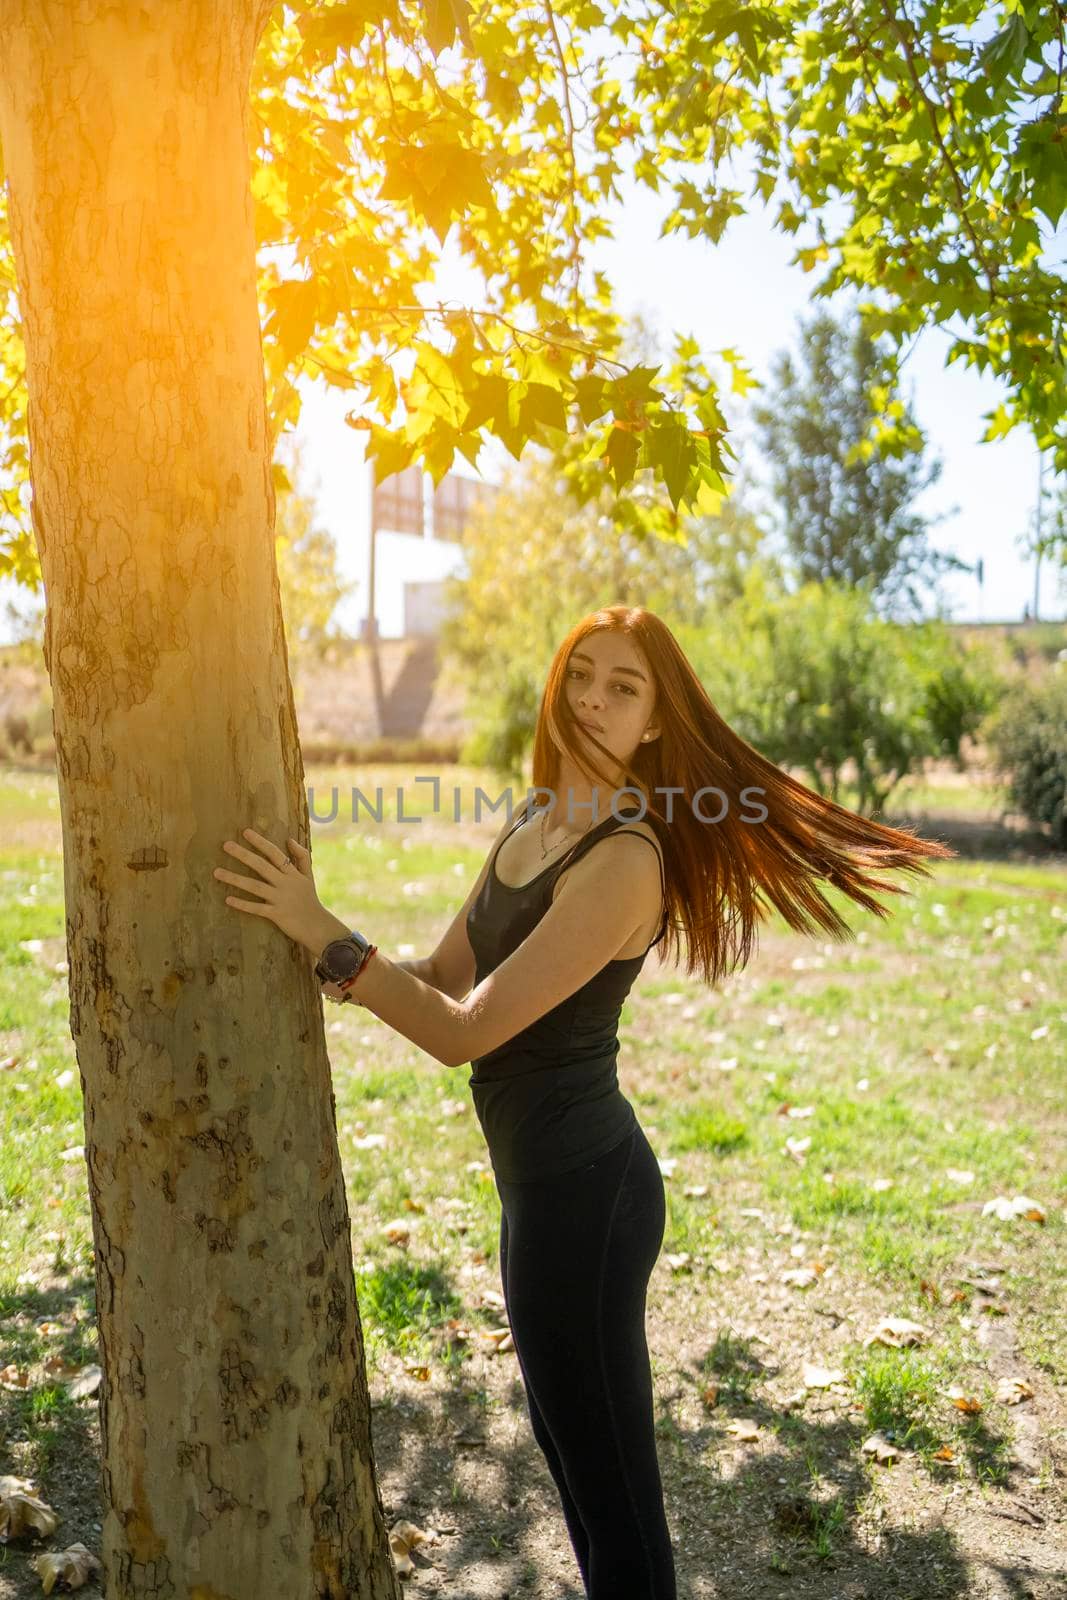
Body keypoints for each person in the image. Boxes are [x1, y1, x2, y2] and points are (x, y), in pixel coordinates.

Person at [214, 604, 955, 1599]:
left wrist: (330, 937)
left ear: (655, 719)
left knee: (617, 1514)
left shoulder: (622, 860)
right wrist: (316, 947)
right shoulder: (534, 821)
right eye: (581, 676)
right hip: (537, 1195)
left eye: (623, 687)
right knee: (573, 1469)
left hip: (587, 1201)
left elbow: (465, 1031)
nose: (593, 702)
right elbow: (441, 972)